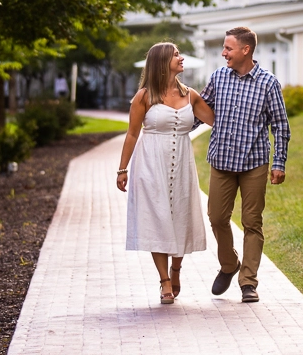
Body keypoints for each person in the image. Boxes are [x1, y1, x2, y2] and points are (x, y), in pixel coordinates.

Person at [116, 42, 214, 305]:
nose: (181, 59)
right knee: (156, 220)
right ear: (162, 62)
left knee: (180, 216)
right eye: (176, 55)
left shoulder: (190, 95)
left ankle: (176, 269)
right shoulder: (144, 97)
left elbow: (215, 120)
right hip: (150, 163)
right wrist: (122, 169)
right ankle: (164, 280)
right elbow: (132, 134)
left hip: (182, 164)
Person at [200, 26, 290, 304]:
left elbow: (280, 125)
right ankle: (229, 264)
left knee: (252, 222)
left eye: (228, 48)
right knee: (216, 218)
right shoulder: (218, 77)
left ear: (245, 50)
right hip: (222, 161)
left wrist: (279, 163)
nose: (223, 53)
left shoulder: (268, 83)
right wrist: (170, 130)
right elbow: (201, 110)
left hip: (254, 163)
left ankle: (248, 282)